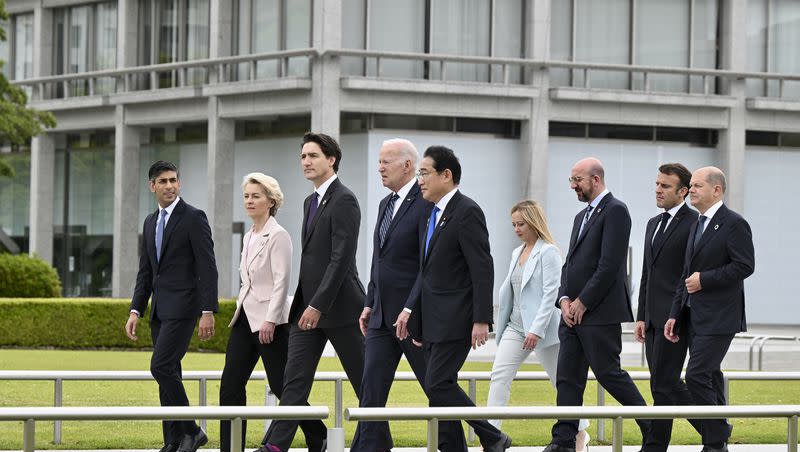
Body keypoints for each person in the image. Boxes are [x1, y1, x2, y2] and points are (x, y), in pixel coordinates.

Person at [397, 145, 511, 452]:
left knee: (437, 383)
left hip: (456, 319)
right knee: (438, 390)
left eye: (424, 173)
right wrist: (412, 311)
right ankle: (453, 447)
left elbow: (482, 268)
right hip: (431, 320)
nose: (419, 179)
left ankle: (492, 436)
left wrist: (481, 319)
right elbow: (426, 271)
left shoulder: (467, 211)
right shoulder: (430, 214)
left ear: (446, 175)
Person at [258, 132, 366, 452]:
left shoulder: (345, 199)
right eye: (303, 156)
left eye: (313, 155)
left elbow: (341, 258)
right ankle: (275, 447)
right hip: (307, 309)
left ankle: (378, 441)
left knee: (366, 384)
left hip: (341, 308)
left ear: (331, 160)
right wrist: (307, 302)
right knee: (294, 382)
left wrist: (318, 303)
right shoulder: (310, 201)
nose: (305, 161)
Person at [350, 139, 457, 452]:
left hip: (414, 318)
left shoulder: (426, 203)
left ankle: (455, 447)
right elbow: (378, 259)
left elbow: (428, 264)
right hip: (382, 317)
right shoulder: (386, 204)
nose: (380, 168)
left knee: (436, 388)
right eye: (379, 162)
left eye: (386, 162)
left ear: (408, 165)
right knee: (370, 391)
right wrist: (370, 303)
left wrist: (411, 308)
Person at [542, 157, 654, 452]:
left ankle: (652, 427)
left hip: (599, 313)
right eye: (571, 180)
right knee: (568, 378)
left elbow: (609, 265)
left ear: (595, 179)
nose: (572, 186)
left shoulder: (616, 211)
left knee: (609, 374)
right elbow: (571, 265)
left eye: (576, 180)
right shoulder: (582, 216)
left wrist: (583, 302)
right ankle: (563, 440)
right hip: (571, 316)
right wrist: (565, 300)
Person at [218, 173, 326, 452]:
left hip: (271, 322)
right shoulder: (249, 235)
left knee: (282, 387)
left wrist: (270, 319)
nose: (249, 201)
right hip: (244, 318)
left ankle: (318, 433)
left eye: (256, 196)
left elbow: (282, 281)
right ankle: (231, 448)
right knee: (230, 386)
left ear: (271, 200)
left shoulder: (278, 235)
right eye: (246, 196)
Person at [125, 160, 218, 452]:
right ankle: (173, 440)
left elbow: (207, 266)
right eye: (163, 181)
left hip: (185, 308)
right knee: (170, 372)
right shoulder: (150, 221)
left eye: (173, 180)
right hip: (158, 311)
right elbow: (146, 271)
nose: (169, 186)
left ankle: (191, 430)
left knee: (161, 366)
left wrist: (207, 310)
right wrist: (135, 310)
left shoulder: (193, 217)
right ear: (152, 186)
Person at [487, 200, 589, 451]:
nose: (516, 229)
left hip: (544, 330)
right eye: (513, 224)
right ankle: (491, 437)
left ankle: (580, 434)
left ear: (533, 222)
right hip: (515, 326)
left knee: (561, 383)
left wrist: (536, 330)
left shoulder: (549, 252)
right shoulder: (516, 252)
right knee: (499, 377)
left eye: (521, 223)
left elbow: (549, 295)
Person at [665, 166, 754, 452]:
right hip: (693, 316)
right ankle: (717, 444)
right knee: (711, 377)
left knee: (696, 376)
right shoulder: (696, 224)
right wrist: (674, 314)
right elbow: (685, 274)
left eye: (697, 186)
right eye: (690, 185)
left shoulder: (734, 223)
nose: (691, 190)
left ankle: (717, 434)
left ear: (717, 190)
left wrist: (706, 279)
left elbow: (745, 266)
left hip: (719, 317)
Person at [634, 163, 701, 452]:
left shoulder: (694, 223)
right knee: (663, 383)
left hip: (677, 317)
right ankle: (716, 428)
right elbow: (647, 273)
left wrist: (675, 313)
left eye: (665, 186)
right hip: (651, 318)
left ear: (683, 191)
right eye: (657, 184)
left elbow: (687, 273)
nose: (658, 190)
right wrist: (640, 316)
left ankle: (656, 444)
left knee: (665, 383)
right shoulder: (653, 223)